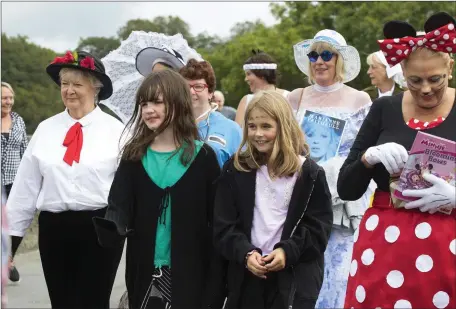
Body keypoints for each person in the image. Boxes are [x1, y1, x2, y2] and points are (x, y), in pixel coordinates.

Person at [338, 12, 456, 308]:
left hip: (448, 247)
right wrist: (368, 158)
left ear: (450, 69)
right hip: (384, 246)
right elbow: (346, 188)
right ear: (402, 72)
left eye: (435, 79)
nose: (426, 89)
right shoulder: (384, 108)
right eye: (415, 80)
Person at [93, 69, 226, 309]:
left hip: (192, 269)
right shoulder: (134, 155)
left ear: (178, 103)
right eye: (144, 103)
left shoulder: (203, 157)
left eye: (157, 102)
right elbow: (119, 203)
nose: (148, 110)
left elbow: (218, 218)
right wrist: (113, 225)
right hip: (144, 268)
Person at [6, 50, 125, 309]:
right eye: (64, 83)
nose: (69, 90)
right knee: (62, 302)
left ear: (96, 89)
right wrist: (8, 248)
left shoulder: (116, 131)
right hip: (54, 229)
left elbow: (128, 188)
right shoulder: (46, 129)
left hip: (100, 228)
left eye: (77, 84)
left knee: (93, 302)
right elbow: (24, 192)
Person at [214, 90, 333, 309]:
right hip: (247, 276)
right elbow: (223, 226)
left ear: (283, 126)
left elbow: (319, 229)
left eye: (266, 126)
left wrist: (287, 251)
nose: (258, 134)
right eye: (252, 126)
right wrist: (245, 253)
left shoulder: (310, 174)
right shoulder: (236, 169)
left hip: (292, 280)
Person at [288, 29, 374, 308]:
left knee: (337, 274)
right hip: (299, 193)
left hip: (340, 200)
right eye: (314, 55)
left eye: (327, 54)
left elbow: (363, 151)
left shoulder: (360, 99)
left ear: (340, 60)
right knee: (299, 274)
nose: (319, 61)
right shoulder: (296, 97)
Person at [179, 59, 242, 167]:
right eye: (186, 87)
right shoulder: (170, 126)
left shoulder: (231, 129)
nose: (191, 92)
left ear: (210, 92)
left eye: (198, 86)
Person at [1, 81, 27, 284]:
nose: (8, 101)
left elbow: (25, 152)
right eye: (3, 98)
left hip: (15, 181)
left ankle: (9, 260)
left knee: (14, 224)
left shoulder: (18, 121)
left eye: (10, 97)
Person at [235, 50, 290, 127]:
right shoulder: (246, 100)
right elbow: (238, 134)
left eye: (248, 74)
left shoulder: (288, 97)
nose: (246, 79)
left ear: (262, 74)